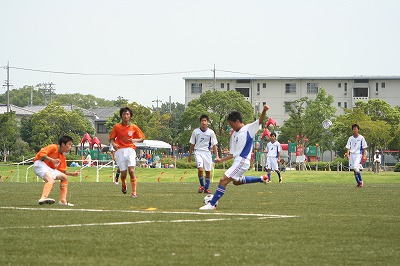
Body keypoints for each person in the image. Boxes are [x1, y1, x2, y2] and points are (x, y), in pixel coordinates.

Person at [199, 105, 270, 210]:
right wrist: (221, 160)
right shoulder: (234, 135)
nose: (231, 127)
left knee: (223, 180)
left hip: (242, 161)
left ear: (237, 121)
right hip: (238, 161)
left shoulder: (249, 129)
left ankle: (211, 204)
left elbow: (260, 121)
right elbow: (232, 154)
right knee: (236, 182)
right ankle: (261, 179)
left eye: (231, 124)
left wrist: (264, 110)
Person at [109, 107, 145, 197]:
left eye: (128, 114)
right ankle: (124, 183)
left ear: (130, 116)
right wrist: (113, 144)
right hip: (120, 151)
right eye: (124, 114)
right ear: (121, 116)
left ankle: (134, 192)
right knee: (123, 174)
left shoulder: (134, 127)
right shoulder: (117, 127)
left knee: (131, 171)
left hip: (131, 150)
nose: (126, 116)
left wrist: (134, 140)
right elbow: (112, 138)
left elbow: (142, 138)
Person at [34, 135, 79, 206]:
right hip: (40, 163)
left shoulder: (62, 157)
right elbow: (41, 154)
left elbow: (63, 170)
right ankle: (43, 198)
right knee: (51, 180)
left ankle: (63, 201)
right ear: (63, 144)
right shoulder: (53, 147)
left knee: (64, 177)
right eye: (69, 144)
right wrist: (52, 160)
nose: (71, 147)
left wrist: (73, 174)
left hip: (49, 168)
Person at [188, 114, 219, 194]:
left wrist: (217, 156)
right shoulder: (196, 132)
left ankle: (207, 188)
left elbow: (214, 145)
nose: (204, 122)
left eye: (205, 121)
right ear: (200, 122)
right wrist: (190, 155)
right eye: (202, 121)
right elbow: (192, 144)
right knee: (200, 169)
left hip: (207, 153)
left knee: (208, 171)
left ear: (207, 122)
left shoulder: (211, 132)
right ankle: (202, 185)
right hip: (198, 151)